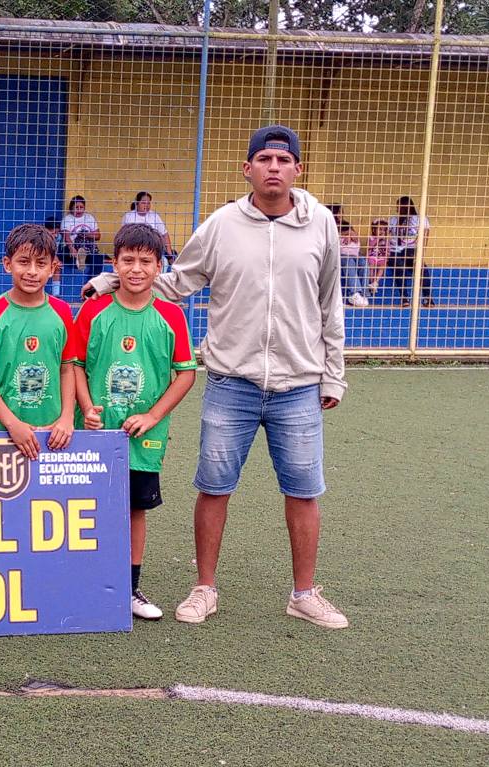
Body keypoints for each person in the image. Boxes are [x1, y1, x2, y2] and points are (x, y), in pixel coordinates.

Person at [84, 125, 349, 630]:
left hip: (298, 384)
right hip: (231, 382)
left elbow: (329, 302)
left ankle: (304, 594)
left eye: (283, 160)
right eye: (264, 159)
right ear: (247, 169)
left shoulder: (321, 225)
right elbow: (176, 281)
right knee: (214, 487)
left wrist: (332, 375)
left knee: (303, 491)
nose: (274, 167)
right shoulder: (222, 224)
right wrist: (113, 280)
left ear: (298, 169)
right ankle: (204, 588)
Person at [71, 222, 198, 620]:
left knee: (133, 510)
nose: (137, 269)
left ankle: (129, 589)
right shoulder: (94, 310)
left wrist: (153, 414)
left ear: (160, 267)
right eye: (128, 260)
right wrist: (87, 407)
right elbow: (74, 364)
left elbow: (186, 373)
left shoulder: (171, 315)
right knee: (84, 507)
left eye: (146, 261)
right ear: (115, 264)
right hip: (94, 433)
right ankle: (79, 585)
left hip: (143, 437)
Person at [0, 224, 78, 459]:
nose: (32, 271)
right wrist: (12, 423)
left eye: (41, 263)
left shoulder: (62, 311)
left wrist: (67, 417)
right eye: (24, 262)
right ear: (8, 264)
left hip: (52, 432)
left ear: (53, 268)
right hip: (1, 432)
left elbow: (67, 369)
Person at [387, 195, 432, 305]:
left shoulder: (419, 219)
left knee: (422, 268)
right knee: (399, 266)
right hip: (395, 250)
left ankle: (427, 297)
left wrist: (421, 254)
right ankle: (404, 298)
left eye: (399, 207)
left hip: (411, 250)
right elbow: (387, 236)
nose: (397, 209)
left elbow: (425, 236)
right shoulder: (393, 219)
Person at [122, 191, 171, 260]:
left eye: (148, 203)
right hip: (134, 249)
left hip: (153, 249)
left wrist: (170, 255)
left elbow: (164, 234)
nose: (146, 205)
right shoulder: (129, 216)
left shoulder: (154, 216)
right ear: (137, 203)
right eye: (143, 203)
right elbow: (124, 236)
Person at [60, 196, 101, 278]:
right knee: (70, 258)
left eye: (81, 207)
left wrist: (86, 235)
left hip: (89, 248)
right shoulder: (67, 219)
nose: (79, 210)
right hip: (73, 246)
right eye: (76, 207)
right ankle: (79, 258)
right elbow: (66, 237)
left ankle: (94, 280)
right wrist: (72, 249)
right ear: (71, 208)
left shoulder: (89, 218)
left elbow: (98, 236)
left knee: (97, 259)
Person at [335, 211, 367, 306]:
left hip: (352, 254)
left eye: (341, 212)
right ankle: (354, 293)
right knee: (348, 261)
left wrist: (351, 234)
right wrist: (347, 233)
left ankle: (363, 294)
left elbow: (356, 238)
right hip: (337, 255)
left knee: (363, 262)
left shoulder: (345, 224)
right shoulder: (328, 223)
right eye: (338, 212)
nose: (340, 215)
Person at [365, 218, 392, 298]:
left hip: (381, 257)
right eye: (380, 229)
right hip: (372, 256)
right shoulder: (371, 238)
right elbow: (370, 246)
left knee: (383, 265)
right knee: (371, 265)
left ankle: (375, 282)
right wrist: (378, 239)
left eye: (384, 230)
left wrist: (387, 255)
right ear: (374, 230)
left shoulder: (386, 240)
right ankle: (371, 281)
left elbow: (388, 249)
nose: (382, 232)